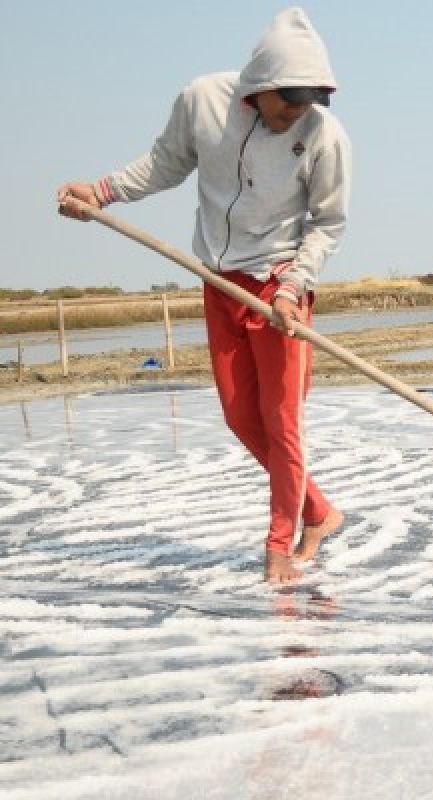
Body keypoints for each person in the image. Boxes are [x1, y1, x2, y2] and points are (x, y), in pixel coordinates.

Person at [56, 8, 351, 585]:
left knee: (281, 421)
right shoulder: (203, 101)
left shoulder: (323, 136)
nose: (297, 111)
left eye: (309, 100)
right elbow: (165, 163)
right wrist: (102, 192)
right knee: (243, 418)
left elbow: (329, 224)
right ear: (260, 86)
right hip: (220, 280)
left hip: (278, 289)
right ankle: (318, 512)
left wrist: (292, 288)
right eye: (289, 99)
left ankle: (278, 547)